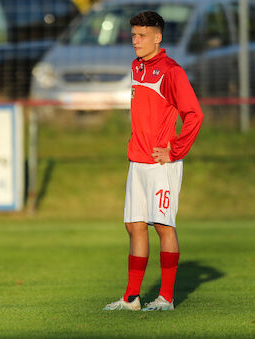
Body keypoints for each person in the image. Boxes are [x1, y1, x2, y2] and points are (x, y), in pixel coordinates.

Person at [103, 10, 203, 311]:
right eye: (133, 35)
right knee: (134, 226)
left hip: (162, 165)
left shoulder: (172, 71)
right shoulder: (137, 67)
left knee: (163, 226)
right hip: (138, 161)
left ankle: (166, 298)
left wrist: (175, 151)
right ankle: (132, 298)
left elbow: (194, 115)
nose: (135, 41)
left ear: (157, 37)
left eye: (142, 35)